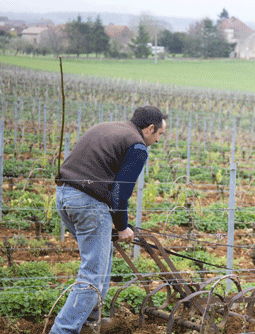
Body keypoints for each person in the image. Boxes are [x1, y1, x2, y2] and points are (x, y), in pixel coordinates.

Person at [50, 106, 167, 333]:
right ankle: (63, 330)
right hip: (88, 203)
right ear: (150, 128)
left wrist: (118, 222)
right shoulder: (137, 146)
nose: (159, 140)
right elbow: (119, 193)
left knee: (100, 263)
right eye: (159, 134)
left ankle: (90, 321)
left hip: (64, 196)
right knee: (93, 273)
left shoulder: (106, 127)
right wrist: (122, 227)